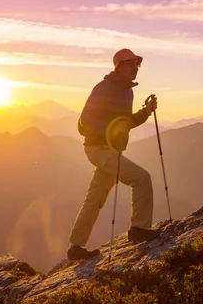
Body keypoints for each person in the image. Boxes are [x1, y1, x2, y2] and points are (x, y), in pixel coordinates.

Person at [67, 48, 160, 261]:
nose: (136, 68)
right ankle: (138, 229)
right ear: (118, 66)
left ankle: (76, 247)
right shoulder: (104, 88)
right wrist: (109, 133)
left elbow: (126, 124)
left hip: (108, 150)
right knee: (142, 178)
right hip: (99, 149)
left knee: (95, 197)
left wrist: (146, 111)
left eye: (137, 64)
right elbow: (87, 120)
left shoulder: (128, 91)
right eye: (131, 64)